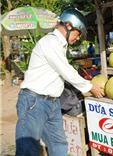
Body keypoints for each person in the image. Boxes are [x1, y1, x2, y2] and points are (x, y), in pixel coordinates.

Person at [15, 8, 104, 156]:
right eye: (78, 33)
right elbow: (66, 71)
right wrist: (89, 87)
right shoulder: (50, 42)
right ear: (68, 26)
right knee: (29, 150)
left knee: (59, 146)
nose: (78, 38)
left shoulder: (60, 46)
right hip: (34, 101)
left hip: (52, 104)